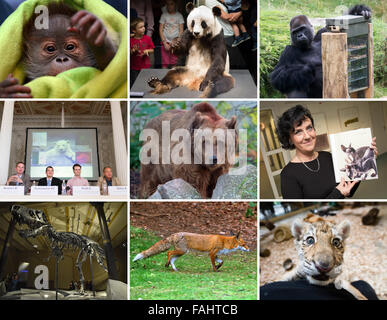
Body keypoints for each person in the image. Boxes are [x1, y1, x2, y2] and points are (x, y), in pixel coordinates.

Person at [277, 105, 378, 199]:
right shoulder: (288, 175)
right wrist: (337, 194)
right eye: (298, 132)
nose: (307, 136)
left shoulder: (327, 157)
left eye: (309, 128)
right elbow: (303, 213)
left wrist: (368, 159)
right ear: (289, 139)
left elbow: (348, 190)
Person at [130, 17, 155, 87]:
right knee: (135, 84)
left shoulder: (147, 38)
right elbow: (128, 53)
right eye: (140, 27)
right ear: (134, 30)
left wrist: (146, 50)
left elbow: (152, 49)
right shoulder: (130, 40)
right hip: (134, 67)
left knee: (146, 82)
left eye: (144, 26)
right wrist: (133, 50)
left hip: (145, 66)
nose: (143, 28)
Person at [159, 0, 184, 69]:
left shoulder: (179, 16)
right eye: (167, 4)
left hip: (175, 43)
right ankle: (163, 78)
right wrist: (164, 43)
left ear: (175, 4)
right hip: (165, 42)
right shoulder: (164, 15)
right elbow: (160, 30)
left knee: (174, 63)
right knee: (164, 63)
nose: (169, 6)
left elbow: (181, 30)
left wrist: (176, 42)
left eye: (171, 4)